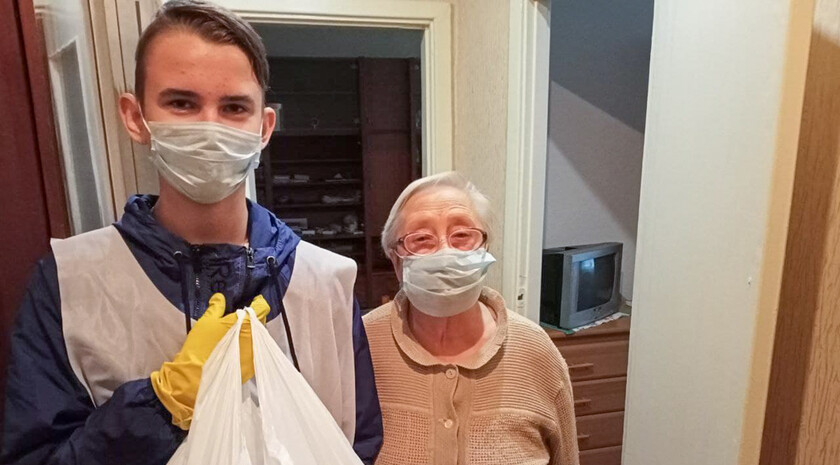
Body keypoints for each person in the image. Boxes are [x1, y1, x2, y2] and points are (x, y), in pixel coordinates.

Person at [0, 1, 382, 464]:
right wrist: (161, 405)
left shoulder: (327, 282)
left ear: (264, 128)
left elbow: (356, 445)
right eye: (181, 103)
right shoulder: (70, 283)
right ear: (136, 117)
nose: (209, 127)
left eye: (234, 107)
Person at [363, 171, 580, 465]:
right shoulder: (361, 345)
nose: (445, 251)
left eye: (462, 235)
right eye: (422, 239)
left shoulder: (536, 351)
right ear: (395, 260)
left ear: (484, 248)